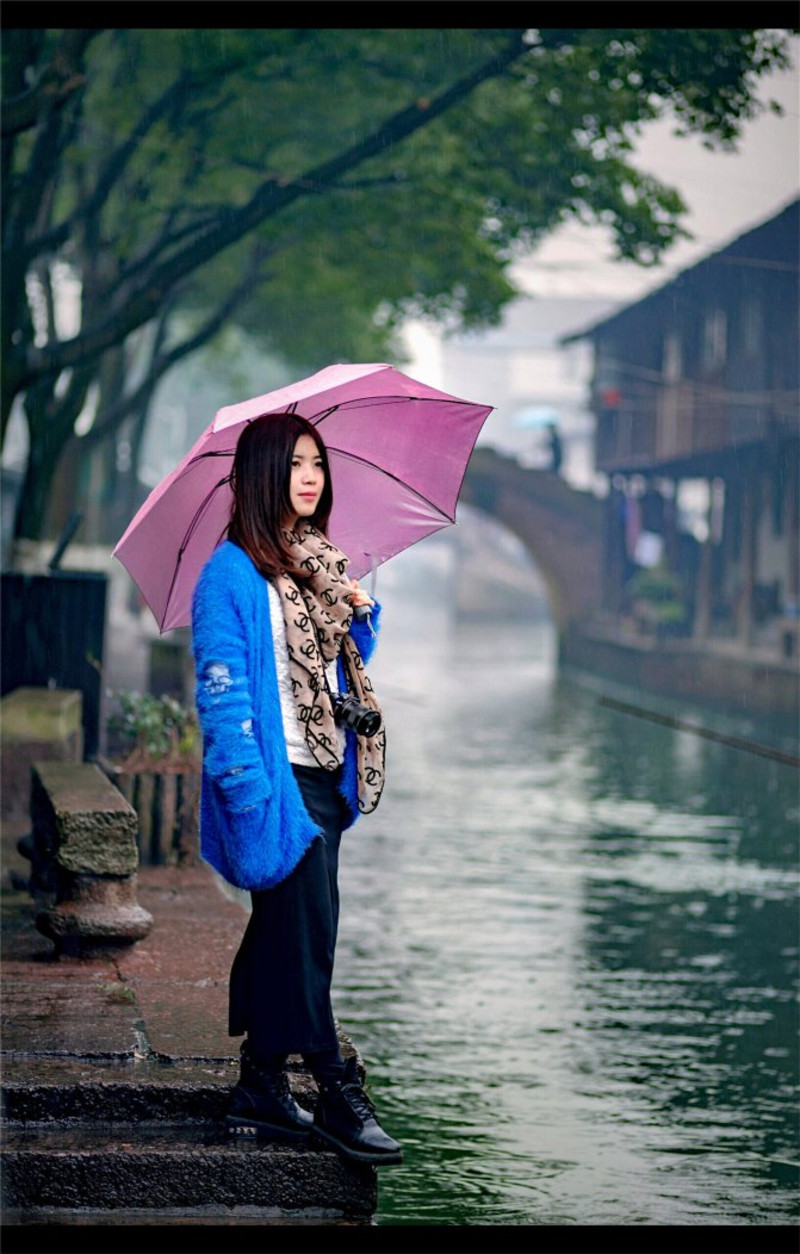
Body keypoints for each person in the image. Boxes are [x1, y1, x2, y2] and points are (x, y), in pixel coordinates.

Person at [191, 411, 401, 1167]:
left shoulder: (316, 569)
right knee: (307, 930)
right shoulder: (232, 573)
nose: (310, 475)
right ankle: (332, 1085)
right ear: (260, 474)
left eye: (317, 462)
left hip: (324, 771)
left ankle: (261, 1081)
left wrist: (357, 621)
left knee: (299, 926)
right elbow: (222, 694)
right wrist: (246, 792)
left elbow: (337, 677)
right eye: (294, 463)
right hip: (272, 781)